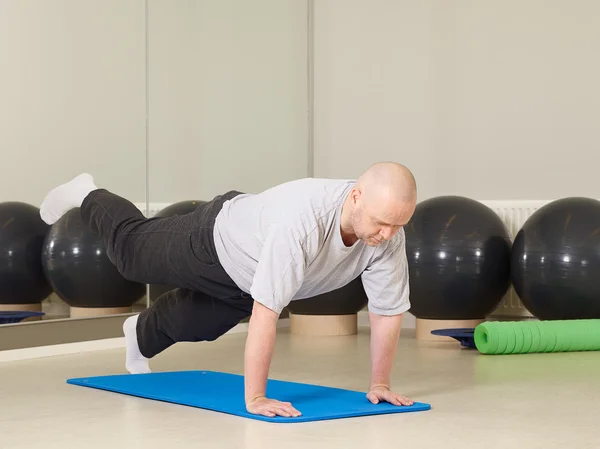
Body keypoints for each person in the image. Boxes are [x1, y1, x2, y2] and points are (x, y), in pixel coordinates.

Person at [39, 161, 417, 419]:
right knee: (130, 256)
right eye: (382, 223)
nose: (387, 235)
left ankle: (138, 335)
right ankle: (87, 192)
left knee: (197, 323)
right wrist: (255, 397)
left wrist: (380, 383)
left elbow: (386, 311)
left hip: (248, 276)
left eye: (397, 225)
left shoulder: (388, 238)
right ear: (355, 197)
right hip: (213, 240)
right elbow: (266, 314)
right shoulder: (301, 222)